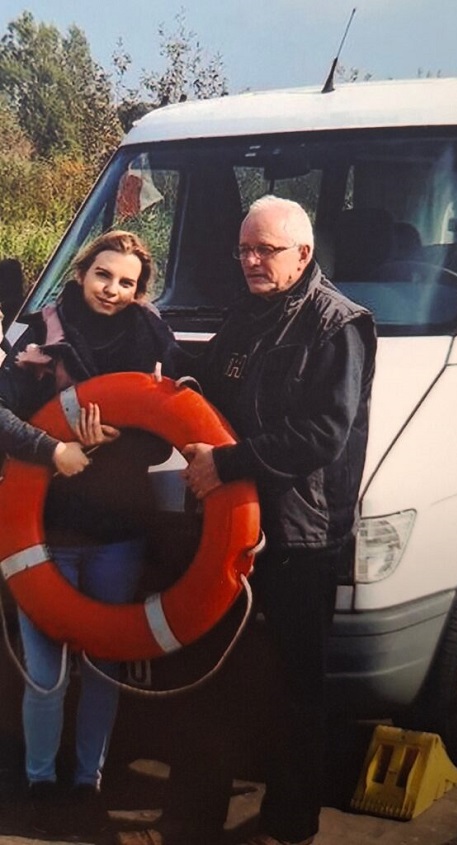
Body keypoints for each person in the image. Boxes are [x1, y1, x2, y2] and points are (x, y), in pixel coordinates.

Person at [152, 195, 377, 845]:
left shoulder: (338, 324)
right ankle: (188, 825)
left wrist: (227, 463)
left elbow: (323, 433)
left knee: (294, 690)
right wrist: (167, 360)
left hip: (300, 537)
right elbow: (216, 386)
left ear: (303, 254)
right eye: (244, 249)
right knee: (210, 679)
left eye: (265, 250)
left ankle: (287, 828)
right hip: (230, 528)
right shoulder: (247, 311)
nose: (251, 260)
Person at [0, 230, 184, 838]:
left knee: (104, 666)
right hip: (43, 531)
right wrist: (54, 449)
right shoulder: (40, 334)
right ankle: (39, 781)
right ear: (82, 272)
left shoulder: (151, 338)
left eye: (127, 282)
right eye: (103, 275)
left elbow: (165, 435)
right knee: (45, 673)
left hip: (117, 535)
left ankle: (88, 780)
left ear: (140, 289)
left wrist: (117, 440)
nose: (112, 289)